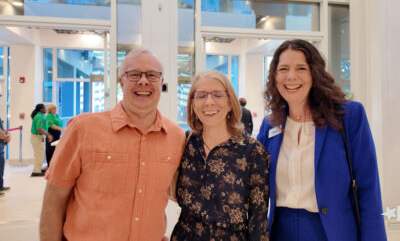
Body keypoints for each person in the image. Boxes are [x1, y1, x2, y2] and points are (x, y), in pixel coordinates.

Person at [40, 49, 185, 241]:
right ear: (121, 82)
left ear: (161, 82)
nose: (143, 81)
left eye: (152, 75)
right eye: (134, 74)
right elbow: (54, 202)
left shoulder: (176, 137)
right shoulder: (83, 129)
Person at [257, 39, 386, 241]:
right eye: (283, 69)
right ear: (274, 76)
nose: (291, 76)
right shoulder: (270, 125)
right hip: (280, 232)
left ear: (315, 74)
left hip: (331, 232)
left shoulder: (348, 116)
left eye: (301, 68)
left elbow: (369, 189)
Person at [171, 70, 270, 240]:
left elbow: (258, 221)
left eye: (217, 95)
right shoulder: (185, 143)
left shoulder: (252, 151)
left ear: (231, 103)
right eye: (201, 96)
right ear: (193, 104)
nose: (209, 102)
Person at [30, 104, 52, 177]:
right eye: (44, 108)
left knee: (40, 154)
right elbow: (39, 128)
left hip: (39, 137)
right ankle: (36, 171)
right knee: (38, 154)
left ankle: (38, 169)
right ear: (41, 109)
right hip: (36, 137)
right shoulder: (39, 116)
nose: (45, 109)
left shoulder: (42, 116)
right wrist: (47, 134)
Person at [45, 103, 64, 167]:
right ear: (50, 109)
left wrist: (61, 129)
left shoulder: (57, 115)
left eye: (55, 108)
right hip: (52, 134)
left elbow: (59, 123)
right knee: (50, 150)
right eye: (53, 108)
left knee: (56, 150)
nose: (55, 110)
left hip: (57, 134)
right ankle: (50, 165)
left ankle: (55, 164)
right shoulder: (49, 116)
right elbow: (51, 125)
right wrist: (60, 129)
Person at [0, 115, 11, 196]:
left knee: (1, 165)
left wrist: (7, 135)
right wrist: (5, 137)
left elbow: (3, 129)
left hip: (1, 143)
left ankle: (0, 186)